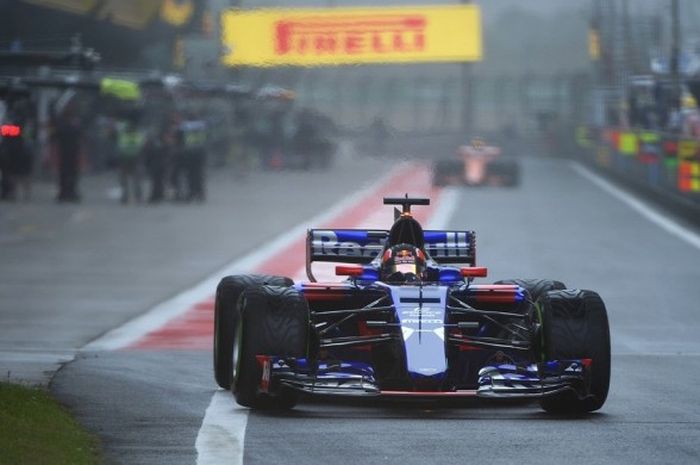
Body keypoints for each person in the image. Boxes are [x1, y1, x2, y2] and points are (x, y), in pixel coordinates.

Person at [53, 110, 83, 203]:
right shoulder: (72, 126)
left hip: (66, 153)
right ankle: (68, 192)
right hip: (70, 153)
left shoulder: (62, 126)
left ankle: (66, 192)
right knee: (70, 174)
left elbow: (55, 137)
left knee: (66, 174)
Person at [115, 118, 146, 204]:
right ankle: (130, 196)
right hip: (129, 159)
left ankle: (133, 196)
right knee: (129, 179)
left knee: (134, 179)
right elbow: (140, 147)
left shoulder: (127, 135)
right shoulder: (134, 135)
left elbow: (121, 147)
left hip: (131, 159)